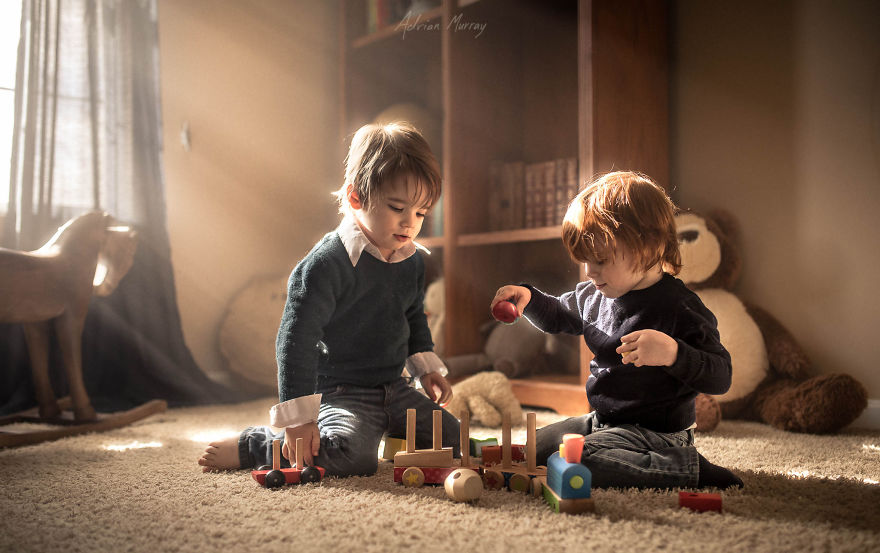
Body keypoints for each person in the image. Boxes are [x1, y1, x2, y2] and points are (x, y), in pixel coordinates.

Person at [199, 122, 460, 476]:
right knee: (351, 458)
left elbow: (412, 314)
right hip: (342, 392)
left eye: (420, 213)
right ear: (356, 198)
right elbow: (295, 341)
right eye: (398, 207)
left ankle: (382, 432)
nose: (410, 223)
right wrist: (300, 420)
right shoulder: (326, 264)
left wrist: (426, 369)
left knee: (455, 439)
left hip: (395, 387)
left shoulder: (410, 258)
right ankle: (258, 444)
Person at [490, 171, 742, 489]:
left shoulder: (680, 307)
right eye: (584, 260)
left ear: (649, 247)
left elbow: (721, 376)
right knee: (532, 449)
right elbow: (558, 314)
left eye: (601, 260)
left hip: (659, 435)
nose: (589, 271)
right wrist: (529, 299)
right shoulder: (595, 294)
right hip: (603, 421)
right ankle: (599, 450)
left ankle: (686, 468)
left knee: (577, 460)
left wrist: (673, 354)